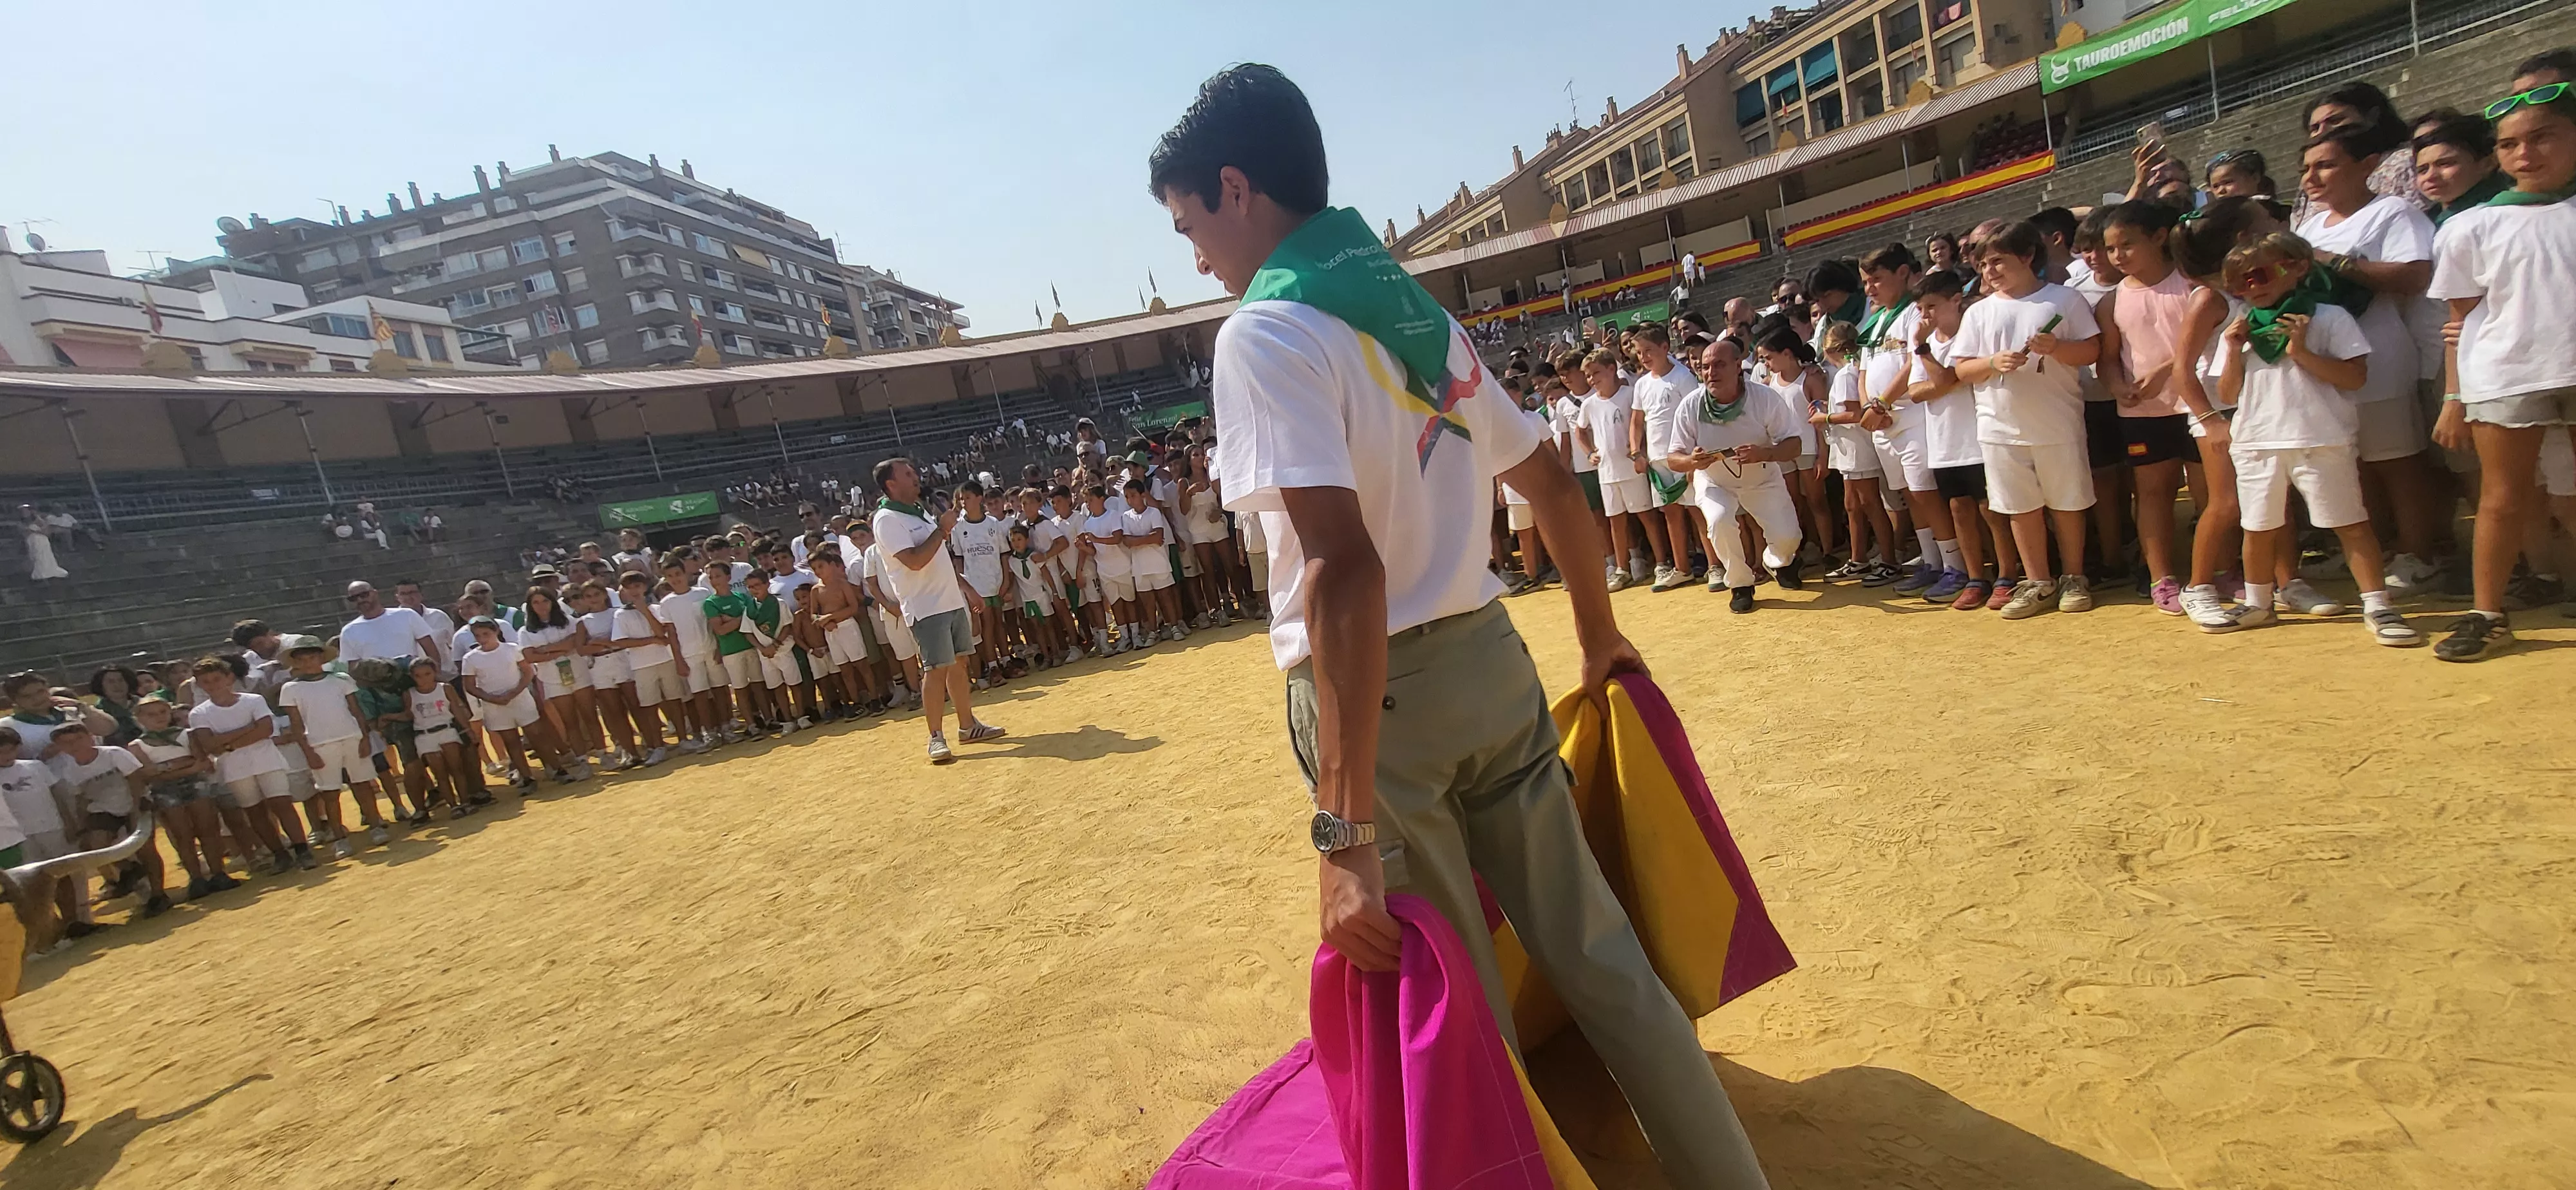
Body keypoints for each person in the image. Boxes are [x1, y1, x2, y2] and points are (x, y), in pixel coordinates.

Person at [1157, 63, 1768, 1188]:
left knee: (1458, 1009)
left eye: (1190, 222)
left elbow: (1343, 570)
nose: (1196, 255)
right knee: (1602, 957)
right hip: (1491, 664)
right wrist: (1597, 634)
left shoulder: (1266, 335)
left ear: (1235, 190)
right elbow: (1554, 487)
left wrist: (1340, 834)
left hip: (1377, 707)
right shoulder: (1417, 318)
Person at [2426, 77, 2576, 661]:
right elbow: (2459, 321)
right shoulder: (2469, 227)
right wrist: (2454, 398)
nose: (2525, 153)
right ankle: (2488, 615)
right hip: (2507, 376)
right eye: (2510, 144)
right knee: (2502, 498)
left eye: (2543, 137)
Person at [2211, 232, 2423, 646]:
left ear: (2297, 268)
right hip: (2257, 440)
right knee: (2257, 527)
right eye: (2238, 283)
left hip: (2321, 436)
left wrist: (2301, 351)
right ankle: (2258, 603)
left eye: (2260, 275)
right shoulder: (2241, 327)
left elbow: (2355, 377)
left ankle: (2378, 605)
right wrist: (2234, 349)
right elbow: (2227, 393)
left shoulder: (2328, 317)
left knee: (2350, 523)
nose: (2251, 287)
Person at [2298, 126, 2447, 593]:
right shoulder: (2307, 227)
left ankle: (2419, 554)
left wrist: (2333, 261)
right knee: (2354, 464)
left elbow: (2414, 276)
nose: (2311, 177)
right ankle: (2375, 550)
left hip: (2381, 356)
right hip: (2326, 365)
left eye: (2325, 165)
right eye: (2306, 168)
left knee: (2398, 463)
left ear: (2367, 166)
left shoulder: (2392, 212)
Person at [1941, 220, 2105, 619]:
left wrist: (2058, 347)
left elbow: (2091, 351)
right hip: (1999, 425)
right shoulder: (1979, 312)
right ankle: (2037, 581)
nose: (1990, 271)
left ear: (2028, 256)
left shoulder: (2063, 299)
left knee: (2067, 502)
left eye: (1998, 261)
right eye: (1984, 265)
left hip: (2057, 421)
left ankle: (2074, 577)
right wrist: (1993, 363)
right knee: (2020, 506)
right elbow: (1962, 369)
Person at [2094, 201, 2215, 616]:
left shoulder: (2192, 284)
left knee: (2210, 493)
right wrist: (2117, 386)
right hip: (2143, 413)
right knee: (2152, 494)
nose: (2118, 255)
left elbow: (2203, 339)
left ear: (2160, 237)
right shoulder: (2111, 301)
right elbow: (2108, 359)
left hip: (2198, 404)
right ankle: (2161, 578)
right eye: (2112, 248)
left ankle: (2218, 571)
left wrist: (2166, 372)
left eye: (2128, 244)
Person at [871, 457, 1004, 764]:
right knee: (935, 669)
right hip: (926, 606)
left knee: (958, 664)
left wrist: (967, 589)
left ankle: (968, 726)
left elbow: (940, 559)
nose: (916, 477)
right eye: (907, 474)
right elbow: (915, 561)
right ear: (891, 484)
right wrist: (942, 530)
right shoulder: (887, 520)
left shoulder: (917, 512)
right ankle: (935, 737)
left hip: (950, 600)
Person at [1672, 335, 1810, 614]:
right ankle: (1740, 584)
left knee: (1789, 539)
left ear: (1738, 366)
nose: (1711, 372)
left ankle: (1777, 562)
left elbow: (1795, 445)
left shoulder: (1764, 397)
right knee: (1719, 522)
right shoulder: (1691, 404)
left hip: (1762, 477)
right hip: (1714, 481)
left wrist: (1765, 453)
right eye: (1705, 367)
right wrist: (1692, 461)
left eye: (1719, 365)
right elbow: (1674, 458)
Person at [1909, 270, 2020, 609]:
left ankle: (2007, 575)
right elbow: (1916, 392)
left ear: (1956, 300)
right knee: (1959, 512)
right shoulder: (1929, 345)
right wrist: (1944, 379)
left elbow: (1947, 378)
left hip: (1978, 437)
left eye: (1932, 306)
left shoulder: (1969, 338)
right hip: (1944, 443)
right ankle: (1976, 578)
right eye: (1921, 309)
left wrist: (1925, 353)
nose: (1925, 316)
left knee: (1992, 512)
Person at [182, 656, 303, 873]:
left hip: (266, 760)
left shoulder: (253, 700)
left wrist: (227, 744)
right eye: (206, 682)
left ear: (228, 678)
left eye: (216, 679)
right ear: (199, 685)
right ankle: (280, 854)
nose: (212, 685)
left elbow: (265, 730)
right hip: (235, 769)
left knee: (282, 804)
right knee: (255, 812)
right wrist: (249, 729)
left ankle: (302, 851)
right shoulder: (198, 713)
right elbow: (210, 745)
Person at [46, 719, 169, 918]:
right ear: (60, 748)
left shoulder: (114, 754)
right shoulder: (69, 770)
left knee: (145, 848)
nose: (75, 745)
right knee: (95, 846)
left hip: (135, 801)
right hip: (103, 808)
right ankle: (129, 869)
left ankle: (158, 894)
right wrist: (81, 825)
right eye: (67, 743)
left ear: (90, 738)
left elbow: (136, 780)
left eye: (78, 739)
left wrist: (135, 811)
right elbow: (81, 799)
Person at [128, 694, 235, 898]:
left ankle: (218, 873)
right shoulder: (136, 745)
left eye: (163, 712)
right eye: (151, 715)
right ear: (139, 718)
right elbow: (148, 773)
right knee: (182, 836)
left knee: (208, 829)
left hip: (192, 784)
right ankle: (196, 878)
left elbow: (202, 762)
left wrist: (165, 768)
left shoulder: (187, 734)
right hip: (166, 791)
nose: (159, 717)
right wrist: (186, 765)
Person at [1627, 325, 1700, 591]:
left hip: (1684, 456)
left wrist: (1693, 459)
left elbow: (1695, 417)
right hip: (1657, 459)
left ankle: (1716, 565)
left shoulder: (1683, 377)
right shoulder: (1642, 384)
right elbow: (1637, 421)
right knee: (1671, 514)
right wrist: (1637, 452)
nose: (1643, 357)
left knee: (1697, 512)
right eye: (1639, 352)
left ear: (1665, 347)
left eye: (1648, 351)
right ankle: (1682, 569)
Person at [459, 616, 567, 792]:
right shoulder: (470, 658)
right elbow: (470, 686)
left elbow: (528, 672)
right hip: (494, 706)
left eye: (486, 634)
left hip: (521, 700)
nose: (482, 639)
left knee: (537, 735)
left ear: (496, 632)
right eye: (477, 635)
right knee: (511, 742)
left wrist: (514, 693)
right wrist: (492, 698)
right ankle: (527, 777)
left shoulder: (512, 649)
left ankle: (556, 769)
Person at [1121, 477, 1187, 642]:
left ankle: (1174, 627)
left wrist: (1138, 541)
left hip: (1159, 563)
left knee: (1166, 597)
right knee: (1148, 602)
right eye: (1127, 497)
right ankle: (1153, 632)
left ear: (1143, 495)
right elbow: (1127, 542)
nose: (1130, 500)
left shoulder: (1154, 512)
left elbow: (1158, 537)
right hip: (1140, 567)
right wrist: (1147, 538)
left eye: (1133, 495)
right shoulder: (1126, 517)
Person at [19, 505, 67, 581]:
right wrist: (35, 531)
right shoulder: (20, 523)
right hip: (32, 540)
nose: (25, 513)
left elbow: (46, 530)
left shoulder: (39, 520)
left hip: (42, 539)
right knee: (37, 550)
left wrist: (37, 518)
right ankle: (40, 571)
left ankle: (49, 569)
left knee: (44, 549)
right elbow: (25, 532)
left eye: (27, 511)